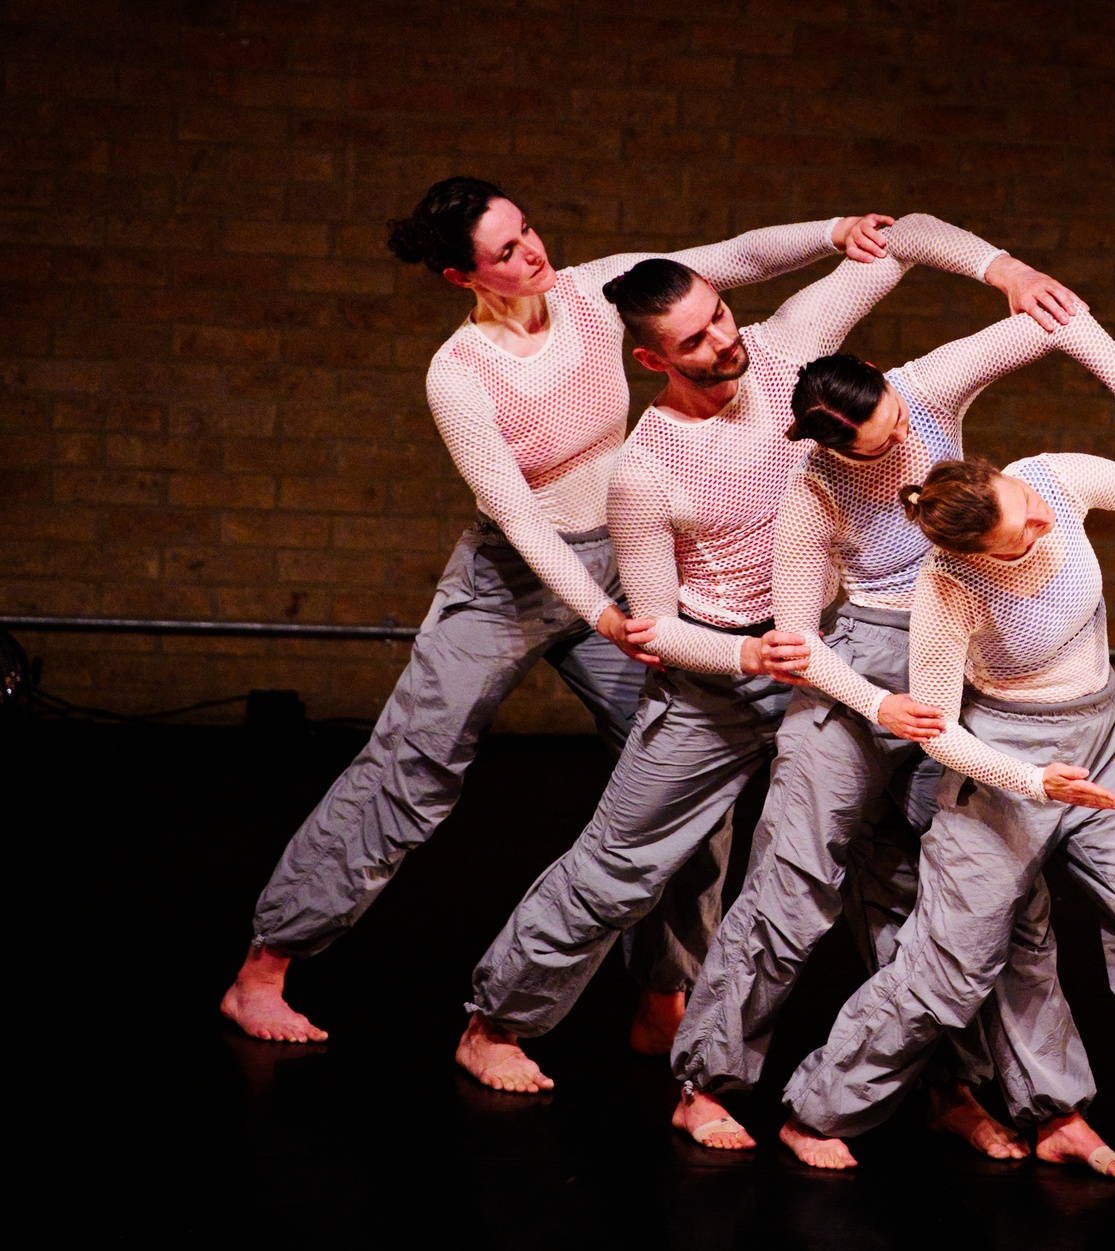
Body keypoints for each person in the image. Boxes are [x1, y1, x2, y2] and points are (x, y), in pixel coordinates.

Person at [221, 175, 894, 1044]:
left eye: (528, 230)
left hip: (623, 562)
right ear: (463, 277)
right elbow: (519, 516)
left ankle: (664, 994)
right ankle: (266, 964)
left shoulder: (591, 293)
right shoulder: (460, 374)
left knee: (685, 771)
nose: (532, 252)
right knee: (413, 767)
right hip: (512, 581)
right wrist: (601, 615)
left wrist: (834, 230)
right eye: (505, 251)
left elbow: (733, 258)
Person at [453, 213, 1096, 1092]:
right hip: (717, 677)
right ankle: (495, 1022)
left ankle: (950, 1087)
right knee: (622, 864)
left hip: (829, 657)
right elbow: (653, 628)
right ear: (651, 360)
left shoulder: (787, 346)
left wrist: (1002, 270)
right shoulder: (645, 471)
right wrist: (749, 659)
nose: (722, 341)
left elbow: (903, 239)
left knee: (894, 873)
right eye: (694, 340)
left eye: (719, 315)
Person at [669, 314, 1115, 1171]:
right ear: (834, 447)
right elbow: (798, 642)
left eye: (896, 417)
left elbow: (1058, 320)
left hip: (960, 663)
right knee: (792, 886)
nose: (902, 436)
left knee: (988, 904)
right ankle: (705, 1083)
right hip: (860, 678)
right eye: (879, 441)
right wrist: (881, 705)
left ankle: (1010, 1100)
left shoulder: (926, 388)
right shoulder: (813, 494)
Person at [781, 452, 1115, 1215]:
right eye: (1021, 533)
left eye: (1023, 503)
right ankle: (815, 1111)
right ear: (976, 552)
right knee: (949, 969)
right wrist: (1035, 780)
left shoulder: (1050, 478)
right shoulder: (947, 586)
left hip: (1102, 746)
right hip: (1005, 762)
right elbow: (939, 730)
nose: (1041, 521)